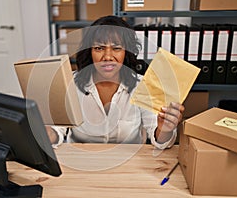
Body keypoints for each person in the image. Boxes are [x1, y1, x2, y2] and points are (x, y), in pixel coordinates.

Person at [47, 15, 184, 149]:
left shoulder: (143, 85)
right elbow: (57, 130)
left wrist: (165, 129)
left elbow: (159, 140)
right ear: (89, 51)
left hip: (130, 165)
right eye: (99, 48)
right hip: (83, 162)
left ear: (127, 52)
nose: (107, 57)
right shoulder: (70, 83)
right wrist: (45, 133)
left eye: (116, 48)